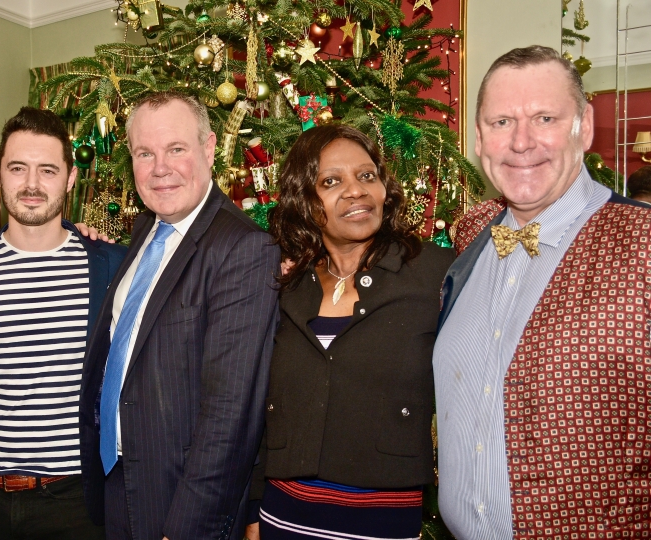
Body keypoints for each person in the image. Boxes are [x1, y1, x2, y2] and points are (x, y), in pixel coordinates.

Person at [434, 45, 651, 539]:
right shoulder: (471, 235)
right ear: (479, 137)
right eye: (502, 122)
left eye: (545, 118)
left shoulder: (643, 244)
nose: (522, 142)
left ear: (585, 126)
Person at [79, 91, 280, 540]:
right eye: (144, 153)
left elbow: (231, 417)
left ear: (209, 149)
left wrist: (187, 529)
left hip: (179, 508)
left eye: (176, 149)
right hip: (120, 488)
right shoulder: (144, 234)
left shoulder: (243, 249)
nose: (159, 168)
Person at [244, 124, 454, 539]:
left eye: (366, 175)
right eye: (331, 181)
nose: (355, 190)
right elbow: (259, 410)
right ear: (305, 199)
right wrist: (253, 512)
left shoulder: (436, 274)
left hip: (382, 519)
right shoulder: (284, 283)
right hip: (282, 515)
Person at [0, 107, 125, 539]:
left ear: (71, 177)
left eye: (47, 170)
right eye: (17, 168)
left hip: (74, 504)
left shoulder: (113, 268)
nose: (31, 185)